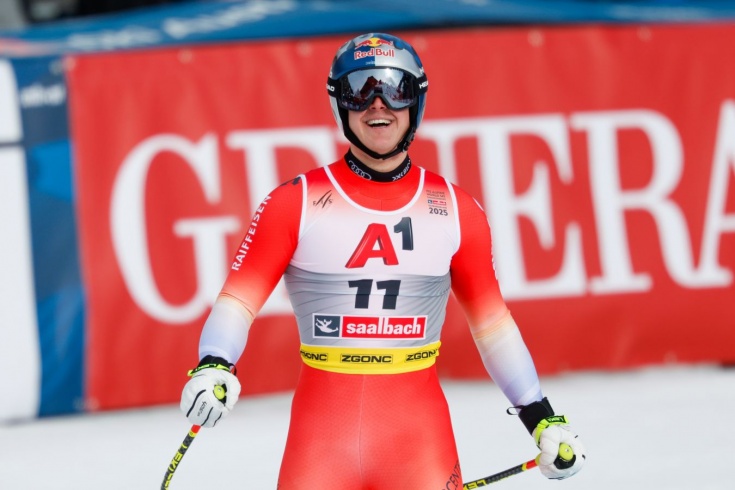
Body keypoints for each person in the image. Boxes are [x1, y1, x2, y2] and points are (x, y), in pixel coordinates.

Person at [179, 32, 587, 488]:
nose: (379, 105)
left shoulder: (456, 209)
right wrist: (215, 362)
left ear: (416, 102)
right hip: (321, 444)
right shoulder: (294, 202)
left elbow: (493, 326)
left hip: (418, 444)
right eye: (360, 90)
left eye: (396, 89)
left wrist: (541, 418)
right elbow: (237, 301)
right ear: (340, 104)